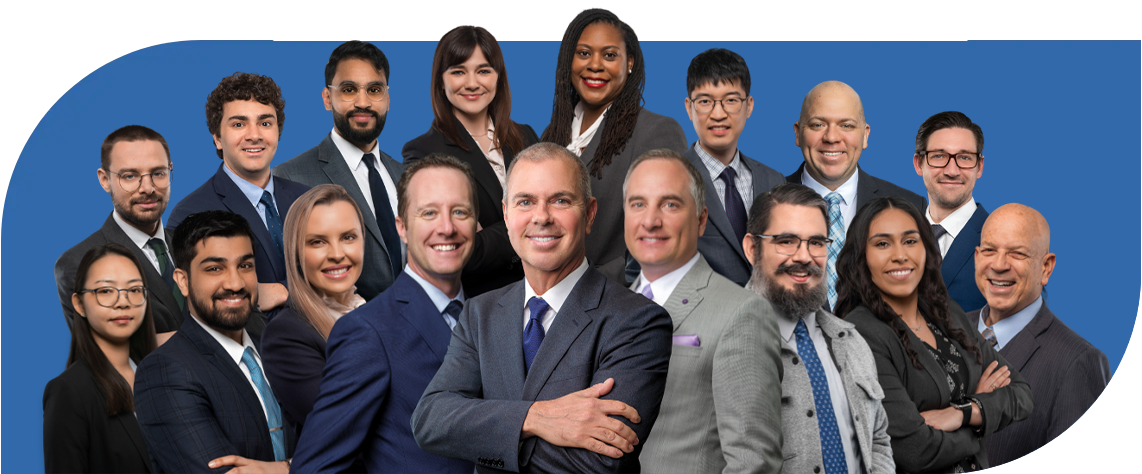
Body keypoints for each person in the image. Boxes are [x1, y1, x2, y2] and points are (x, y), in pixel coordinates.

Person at [411, 142, 673, 473]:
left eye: (560, 200)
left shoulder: (638, 321)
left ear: (589, 214)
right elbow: (431, 420)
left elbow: (600, 461)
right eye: (525, 202)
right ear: (506, 216)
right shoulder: (479, 313)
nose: (541, 217)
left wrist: (484, 435)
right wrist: (536, 418)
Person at [292, 155, 478, 473]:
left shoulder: (491, 315)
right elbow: (314, 468)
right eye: (429, 213)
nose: (447, 228)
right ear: (402, 227)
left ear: (475, 223)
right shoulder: (368, 332)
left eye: (459, 212)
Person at [835, 196, 1033, 472]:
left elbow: (1021, 394)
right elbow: (915, 450)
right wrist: (978, 419)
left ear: (926, 248)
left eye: (910, 241)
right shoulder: (861, 334)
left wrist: (960, 413)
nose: (900, 255)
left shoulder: (946, 312)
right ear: (861, 258)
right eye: (882, 244)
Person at [623, 149, 783, 473]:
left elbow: (754, 462)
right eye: (638, 204)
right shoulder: (609, 309)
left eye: (670, 204)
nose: (650, 221)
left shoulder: (743, 313)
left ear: (701, 219)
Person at [743, 183, 895, 474]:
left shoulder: (852, 341)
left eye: (816, 242)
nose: (804, 257)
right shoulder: (722, 341)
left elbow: (877, 438)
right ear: (752, 248)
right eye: (786, 241)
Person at [134, 211, 295, 474]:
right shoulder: (164, 371)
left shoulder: (279, 345)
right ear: (183, 281)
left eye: (245, 265)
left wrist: (285, 468)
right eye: (214, 269)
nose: (235, 283)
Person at [540, 7, 687, 284]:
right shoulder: (552, 136)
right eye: (584, 53)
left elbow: (667, 234)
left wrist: (586, 287)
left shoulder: (656, 132)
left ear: (629, 62)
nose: (595, 65)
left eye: (609, 55)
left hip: (615, 298)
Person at [967, 203, 1110, 466]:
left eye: (1017, 253)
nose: (999, 265)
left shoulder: (1078, 363)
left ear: (1046, 268)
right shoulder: (940, 331)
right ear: (977, 258)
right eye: (989, 250)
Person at [402, 25, 539, 296]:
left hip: (545, 295)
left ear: (499, 77)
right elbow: (458, 252)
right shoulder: (423, 152)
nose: (472, 83)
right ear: (440, 81)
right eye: (458, 72)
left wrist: (486, 235)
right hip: (482, 305)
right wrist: (529, 221)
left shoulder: (526, 136)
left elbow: (555, 215)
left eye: (484, 71)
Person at [168, 72, 310, 319]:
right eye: (238, 124)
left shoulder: (306, 199)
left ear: (278, 131)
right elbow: (194, 305)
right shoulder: (190, 214)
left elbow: (336, 278)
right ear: (217, 138)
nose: (254, 135)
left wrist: (281, 291)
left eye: (265, 123)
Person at [274, 41, 403, 301]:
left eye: (374, 90)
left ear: (387, 99)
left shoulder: (406, 175)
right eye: (348, 90)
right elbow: (287, 278)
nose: (363, 102)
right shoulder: (287, 178)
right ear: (327, 98)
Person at [786, 80, 925, 310]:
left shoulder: (908, 205)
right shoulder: (766, 199)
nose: (832, 137)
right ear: (798, 132)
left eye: (847, 125)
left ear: (865, 135)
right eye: (818, 124)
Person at [56, 125, 184, 344]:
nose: (147, 188)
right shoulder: (79, 263)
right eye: (130, 176)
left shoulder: (192, 244)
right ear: (105, 180)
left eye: (158, 173)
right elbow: (107, 353)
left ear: (170, 170)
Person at [260, 184, 367, 436]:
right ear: (296, 252)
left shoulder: (375, 312)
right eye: (318, 242)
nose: (337, 254)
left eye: (348, 237)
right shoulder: (285, 335)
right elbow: (342, 428)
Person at [44, 243, 158, 473]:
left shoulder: (159, 376)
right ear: (79, 304)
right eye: (105, 291)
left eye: (134, 289)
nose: (123, 302)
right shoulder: (68, 392)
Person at [682, 48, 785, 286]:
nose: (718, 114)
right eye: (705, 101)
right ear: (689, 108)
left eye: (731, 100)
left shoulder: (774, 181)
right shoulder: (670, 178)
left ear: (749, 106)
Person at [913, 111, 989, 312]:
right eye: (939, 156)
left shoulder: (1002, 238)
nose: (952, 171)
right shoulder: (895, 235)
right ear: (918, 163)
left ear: (979, 166)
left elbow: (1030, 321)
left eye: (964, 157)